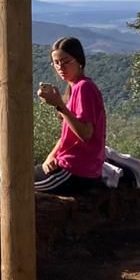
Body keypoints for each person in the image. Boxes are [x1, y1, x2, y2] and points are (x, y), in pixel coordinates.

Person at [35, 37, 106, 196]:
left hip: (77, 171)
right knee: (21, 176)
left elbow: (86, 134)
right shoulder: (74, 88)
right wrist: (51, 156)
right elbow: (67, 136)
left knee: (17, 183)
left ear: (79, 60)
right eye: (56, 62)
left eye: (66, 61)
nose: (61, 67)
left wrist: (59, 105)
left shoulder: (84, 88)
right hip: (72, 167)